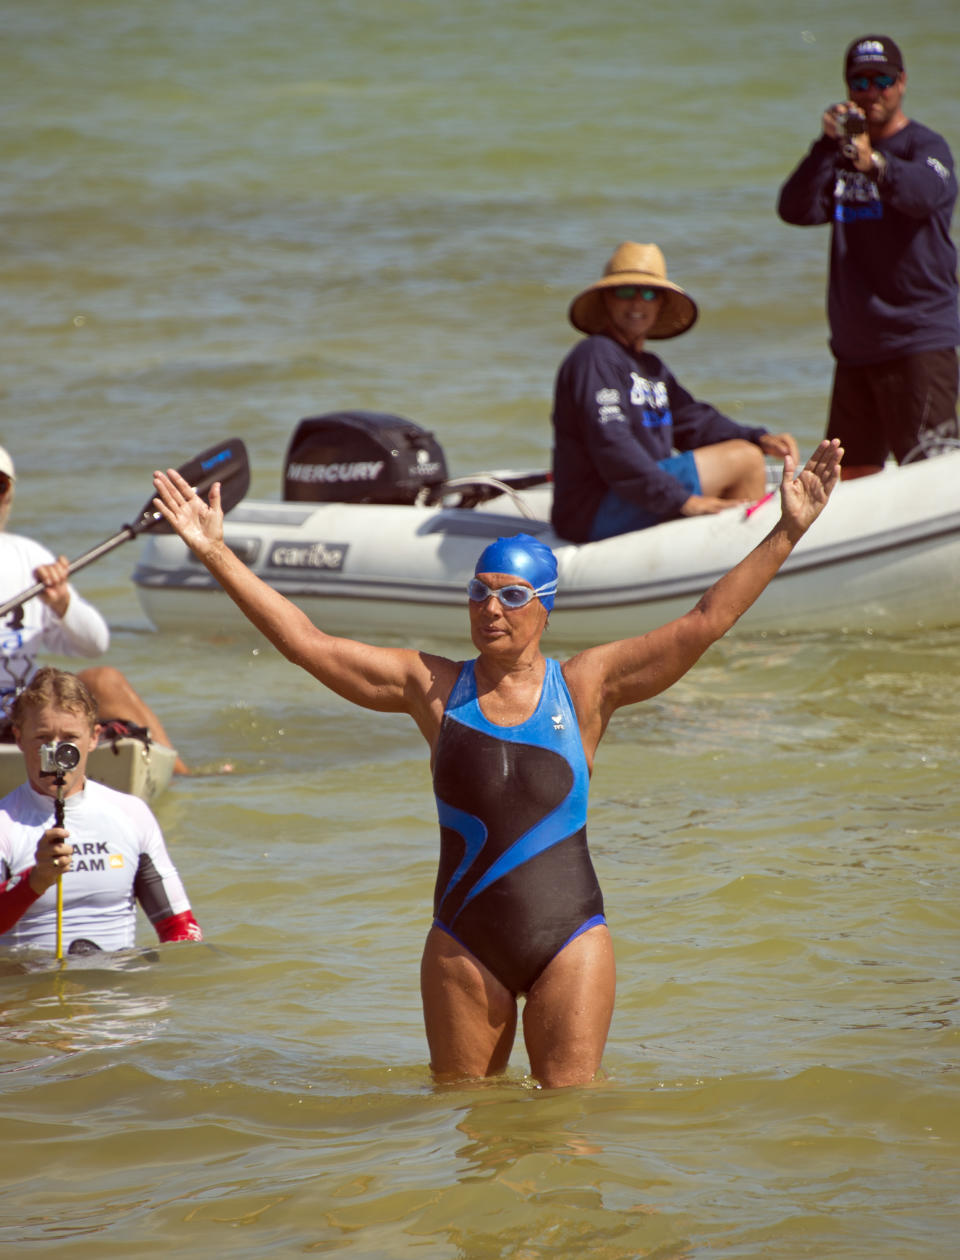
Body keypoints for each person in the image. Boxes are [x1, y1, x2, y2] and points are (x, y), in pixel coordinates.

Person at [150, 437, 841, 1087]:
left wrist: (788, 530)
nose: (492, 608)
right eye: (481, 592)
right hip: (462, 942)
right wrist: (216, 552)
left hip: (570, 938)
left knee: (566, 1135)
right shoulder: (433, 689)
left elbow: (703, 622)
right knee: (469, 1135)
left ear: (545, 608)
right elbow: (307, 643)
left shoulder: (587, 688)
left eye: (512, 596)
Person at [777, 34, 960, 480]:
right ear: (848, 89)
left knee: (929, 470)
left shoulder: (926, 147)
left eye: (882, 80)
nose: (872, 92)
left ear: (901, 82)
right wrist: (825, 145)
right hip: (856, 346)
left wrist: (875, 164)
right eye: (860, 82)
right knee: (852, 474)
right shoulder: (838, 159)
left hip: (917, 340)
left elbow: (926, 193)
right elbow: (796, 209)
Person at [549, 241, 800, 544]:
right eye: (626, 292)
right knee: (744, 460)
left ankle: (731, 559)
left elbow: (693, 421)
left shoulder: (651, 367)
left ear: (661, 304)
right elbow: (611, 445)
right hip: (593, 509)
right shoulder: (594, 356)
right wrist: (681, 500)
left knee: (747, 449)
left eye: (650, 293)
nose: (638, 303)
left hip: (637, 494)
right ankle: (751, 567)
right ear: (607, 300)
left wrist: (758, 437)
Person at [0, 444, 188, 773]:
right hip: (16, 727)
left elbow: (95, 644)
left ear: (9, 494)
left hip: (26, 711)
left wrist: (62, 603)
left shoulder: (28, 557)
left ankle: (181, 777)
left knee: (106, 680)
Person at [0, 668, 201, 954]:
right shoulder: (4, 824)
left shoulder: (132, 814)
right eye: (42, 738)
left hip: (117, 991)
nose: (56, 751)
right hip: (33, 991)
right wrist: (35, 880)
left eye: (70, 737)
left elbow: (180, 928)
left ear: (94, 738)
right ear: (19, 738)